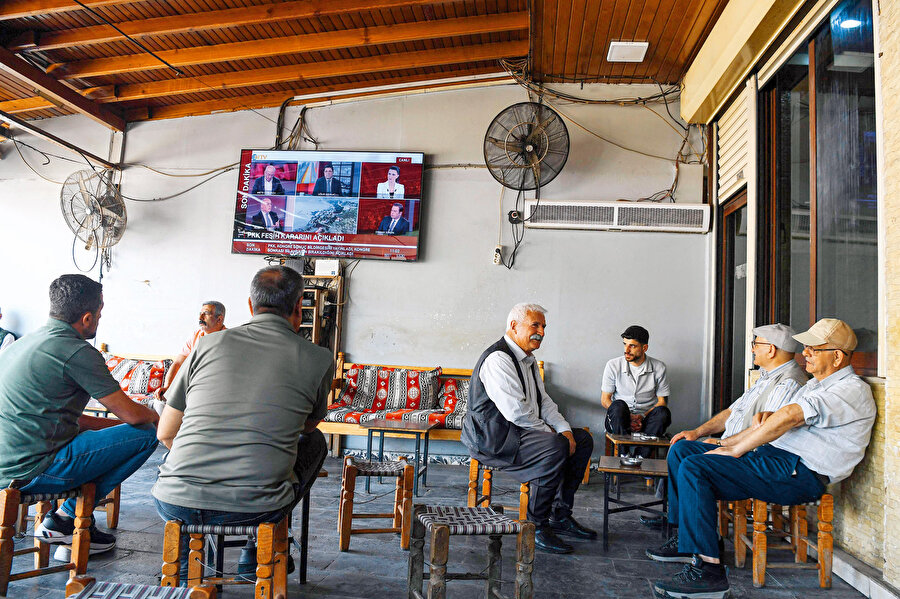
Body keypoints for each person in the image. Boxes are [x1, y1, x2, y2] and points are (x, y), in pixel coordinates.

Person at [648, 318, 875, 599]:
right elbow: (780, 420)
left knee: (696, 467)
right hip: (776, 459)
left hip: (799, 473)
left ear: (837, 356)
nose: (805, 353)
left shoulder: (850, 389)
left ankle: (709, 575)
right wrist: (734, 438)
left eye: (813, 349)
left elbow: (791, 415)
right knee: (686, 451)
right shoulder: (816, 385)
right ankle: (694, 544)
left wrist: (735, 448)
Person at [152, 266, 333, 580]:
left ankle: (183, 571)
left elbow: (166, 432)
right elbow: (308, 425)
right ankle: (254, 553)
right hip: (258, 507)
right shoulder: (318, 358)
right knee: (315, 442)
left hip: (175, 500)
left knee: (186, 481)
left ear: (250, 306)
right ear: (298, 307)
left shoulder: (206, 346)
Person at [0, 274, 159, 558]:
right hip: (32, 471)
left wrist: (118, 430)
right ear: (87, 318)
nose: (98, 320)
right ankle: (65, 519)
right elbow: (134, 416)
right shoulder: (76, 351)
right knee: (148, 435)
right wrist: (160, 416)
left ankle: (67, 523)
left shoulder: (23, 344)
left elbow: (77, 420)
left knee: (123, 433)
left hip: (6, 465)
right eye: (99, 314)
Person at [640, 323, 808, 529]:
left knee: (688, 459)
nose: (753, 348)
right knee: (681, 445)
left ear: (771, 350)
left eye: (756, 344)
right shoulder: (765, 377)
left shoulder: (788, 383)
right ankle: (677, 521)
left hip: (745, 451)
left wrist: (721, 442)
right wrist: (697, 432)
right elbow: (731, 412)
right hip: (729, 444)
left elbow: (766, 430)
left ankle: (688, 530)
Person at [461, 303, 595, 555]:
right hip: (494, 440)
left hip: (519, 433)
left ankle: (560, 515)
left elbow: (543, 403)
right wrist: (555, 436)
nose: (541, 332)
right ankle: (536, 525)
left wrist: (564, 429)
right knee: (555, 446)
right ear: (513, 326)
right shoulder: (498, 358)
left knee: (582, 439)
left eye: (543, 326)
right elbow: (516, 411)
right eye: (535, 325)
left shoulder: (528, 360)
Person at [601, 325, 671, 454]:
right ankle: (624, 454)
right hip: (619, 419)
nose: (626, 350)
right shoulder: (613, 365)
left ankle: (641, 457)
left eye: (632, 346)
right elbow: (605, 400)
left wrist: (642, 416)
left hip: (646, 419)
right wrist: (629, 416)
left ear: (644, 348)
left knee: (663, 413)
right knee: (618, 406)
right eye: (625, 344)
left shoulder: (659, 367)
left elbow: (662, 402)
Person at [156, 301, 226, 403]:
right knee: (159, 402)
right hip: (190, 388)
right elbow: (178, 363)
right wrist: (167, 387)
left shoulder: (228, 339)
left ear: (219, 319)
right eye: (200, 314)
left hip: (212, 391)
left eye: (205, 314)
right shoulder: (196, 336)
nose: (200, 318)